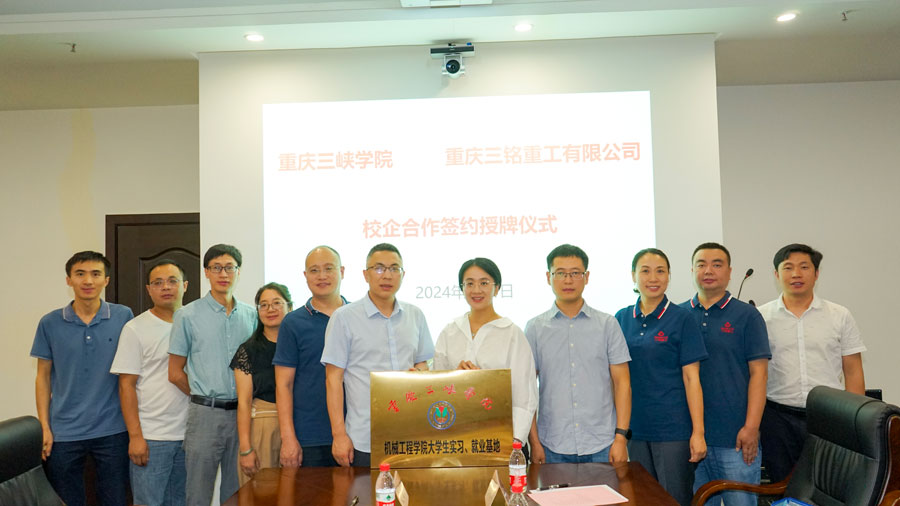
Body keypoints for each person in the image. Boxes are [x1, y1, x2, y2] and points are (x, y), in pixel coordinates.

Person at [31, 251, 134, 506]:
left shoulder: (123, 317)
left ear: (106, 280)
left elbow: (133, 373)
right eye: (80, 274)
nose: (88, 280)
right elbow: (42, 377)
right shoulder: (49, 322)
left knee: (115, 500)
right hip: (64, 431)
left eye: (95, 274)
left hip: (113, 429)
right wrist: (44, 426)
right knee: (66, 500)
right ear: (69, 280)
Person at [758, 243, 866, 483]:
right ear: (776, 274)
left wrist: (854, 420)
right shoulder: (761, 318)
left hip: (829, 416)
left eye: (804, 267)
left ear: (816, 274)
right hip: (777, 418)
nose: (796, 274)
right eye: (788, 267)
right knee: (782, 485)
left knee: (830, 484)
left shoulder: (839, 315)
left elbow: (853, 371)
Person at [321, 243, 434, 468]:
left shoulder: (415, 315)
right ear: (366, 274)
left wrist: (419, 372)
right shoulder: (344, 318)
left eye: (394, 269)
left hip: (411, 434)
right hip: (364, 437)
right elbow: (333, 379)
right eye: (379, 268)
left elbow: (423, 363)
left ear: (403, 274)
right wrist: (339, 435)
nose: (387, 275)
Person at [614, 248, 707, 506]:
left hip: (672, 430)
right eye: (645, 271)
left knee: (673, 499)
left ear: (669, 276)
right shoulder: (621, 318)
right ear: (633, 276)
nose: (653, 278)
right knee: (640, 498)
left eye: (660, 271)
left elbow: (692, 379)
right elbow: (615, 378)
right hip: (633, 429)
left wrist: (698, 432)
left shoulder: (682, 318)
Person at [681, 242, 770, 506]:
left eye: (717, 265)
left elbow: (759, 375)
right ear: (692, 271)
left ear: (730, 272)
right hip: (689, 438)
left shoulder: (747, 316)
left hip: (735, 439)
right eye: (701, 264)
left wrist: (751, 427)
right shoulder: (679, 315)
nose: (708, 271)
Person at [526, 244, 632, 465]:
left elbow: (622, 383)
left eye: (575, 273)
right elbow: (527, 389)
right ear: (548, 277)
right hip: (551, 444)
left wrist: (621, 438)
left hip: (602, 443)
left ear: (587, 277)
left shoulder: (607, 324)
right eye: (560, 273)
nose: (568, 280)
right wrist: (534, 442)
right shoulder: (535, 328)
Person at [168, 244, 257, 505]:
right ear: (206, 272)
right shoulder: (187, 315)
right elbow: (175, 372)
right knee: (198, 493)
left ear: (239, 272)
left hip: (243, 416)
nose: (223, 274)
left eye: (229, 267)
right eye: (216, 268)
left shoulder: (252, 316)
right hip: (205, 415)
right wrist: (203, 395)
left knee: (237, 491)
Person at [110, 259, 190, 506]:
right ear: (148, 289)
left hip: (191, 436)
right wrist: (136, 436)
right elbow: (126, 385)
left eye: (172, 281)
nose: (165, 287)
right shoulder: (135, 329)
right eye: (158, 282)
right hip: (153, 437)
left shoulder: (194, 323)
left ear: (185, 286)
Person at [433, 258, 538, 444]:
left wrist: (515, 440)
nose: (476, 290)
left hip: (502, 437)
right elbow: (437, 385)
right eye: (469, 283)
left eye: (484, 283)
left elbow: (524, 393)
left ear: (497, 288)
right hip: (457, 436)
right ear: (462, 288)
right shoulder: (450, 332)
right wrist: (455, 377)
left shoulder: (511, 333)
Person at [274, 246, 347, 468]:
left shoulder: (357, 317)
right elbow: (283, 385)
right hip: (310, 436)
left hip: (355, 432)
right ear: (305, 276)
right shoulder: (292, 322)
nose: (322, 276)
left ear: (342, 271)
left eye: (329, 268)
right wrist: (288, 438)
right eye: (314, 270)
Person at [230, 282, 293, 486]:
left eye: (277, 303)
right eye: (263, 305)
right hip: (265, 427)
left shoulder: (299, 345)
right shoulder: (248, 350)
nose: (270, 309)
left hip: (299, 425)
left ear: (290, 306)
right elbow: (244, 402)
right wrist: (246, 449)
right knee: (263, 493)